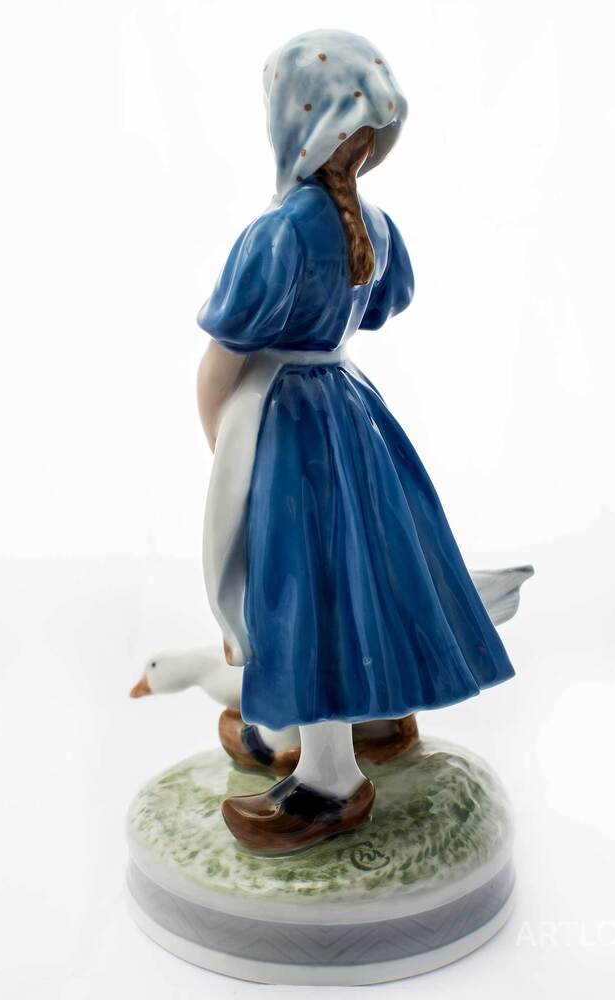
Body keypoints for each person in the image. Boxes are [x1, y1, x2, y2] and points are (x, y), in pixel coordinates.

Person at [196, 30, 514, 854]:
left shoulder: (275, 234)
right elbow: (376, 309)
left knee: (303, 594)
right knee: (370, 573)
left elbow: (218, 368)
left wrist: (227, 456)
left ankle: (330, 781)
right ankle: (376, 720)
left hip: (288, 430)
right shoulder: (376, 226)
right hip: (353, 414)